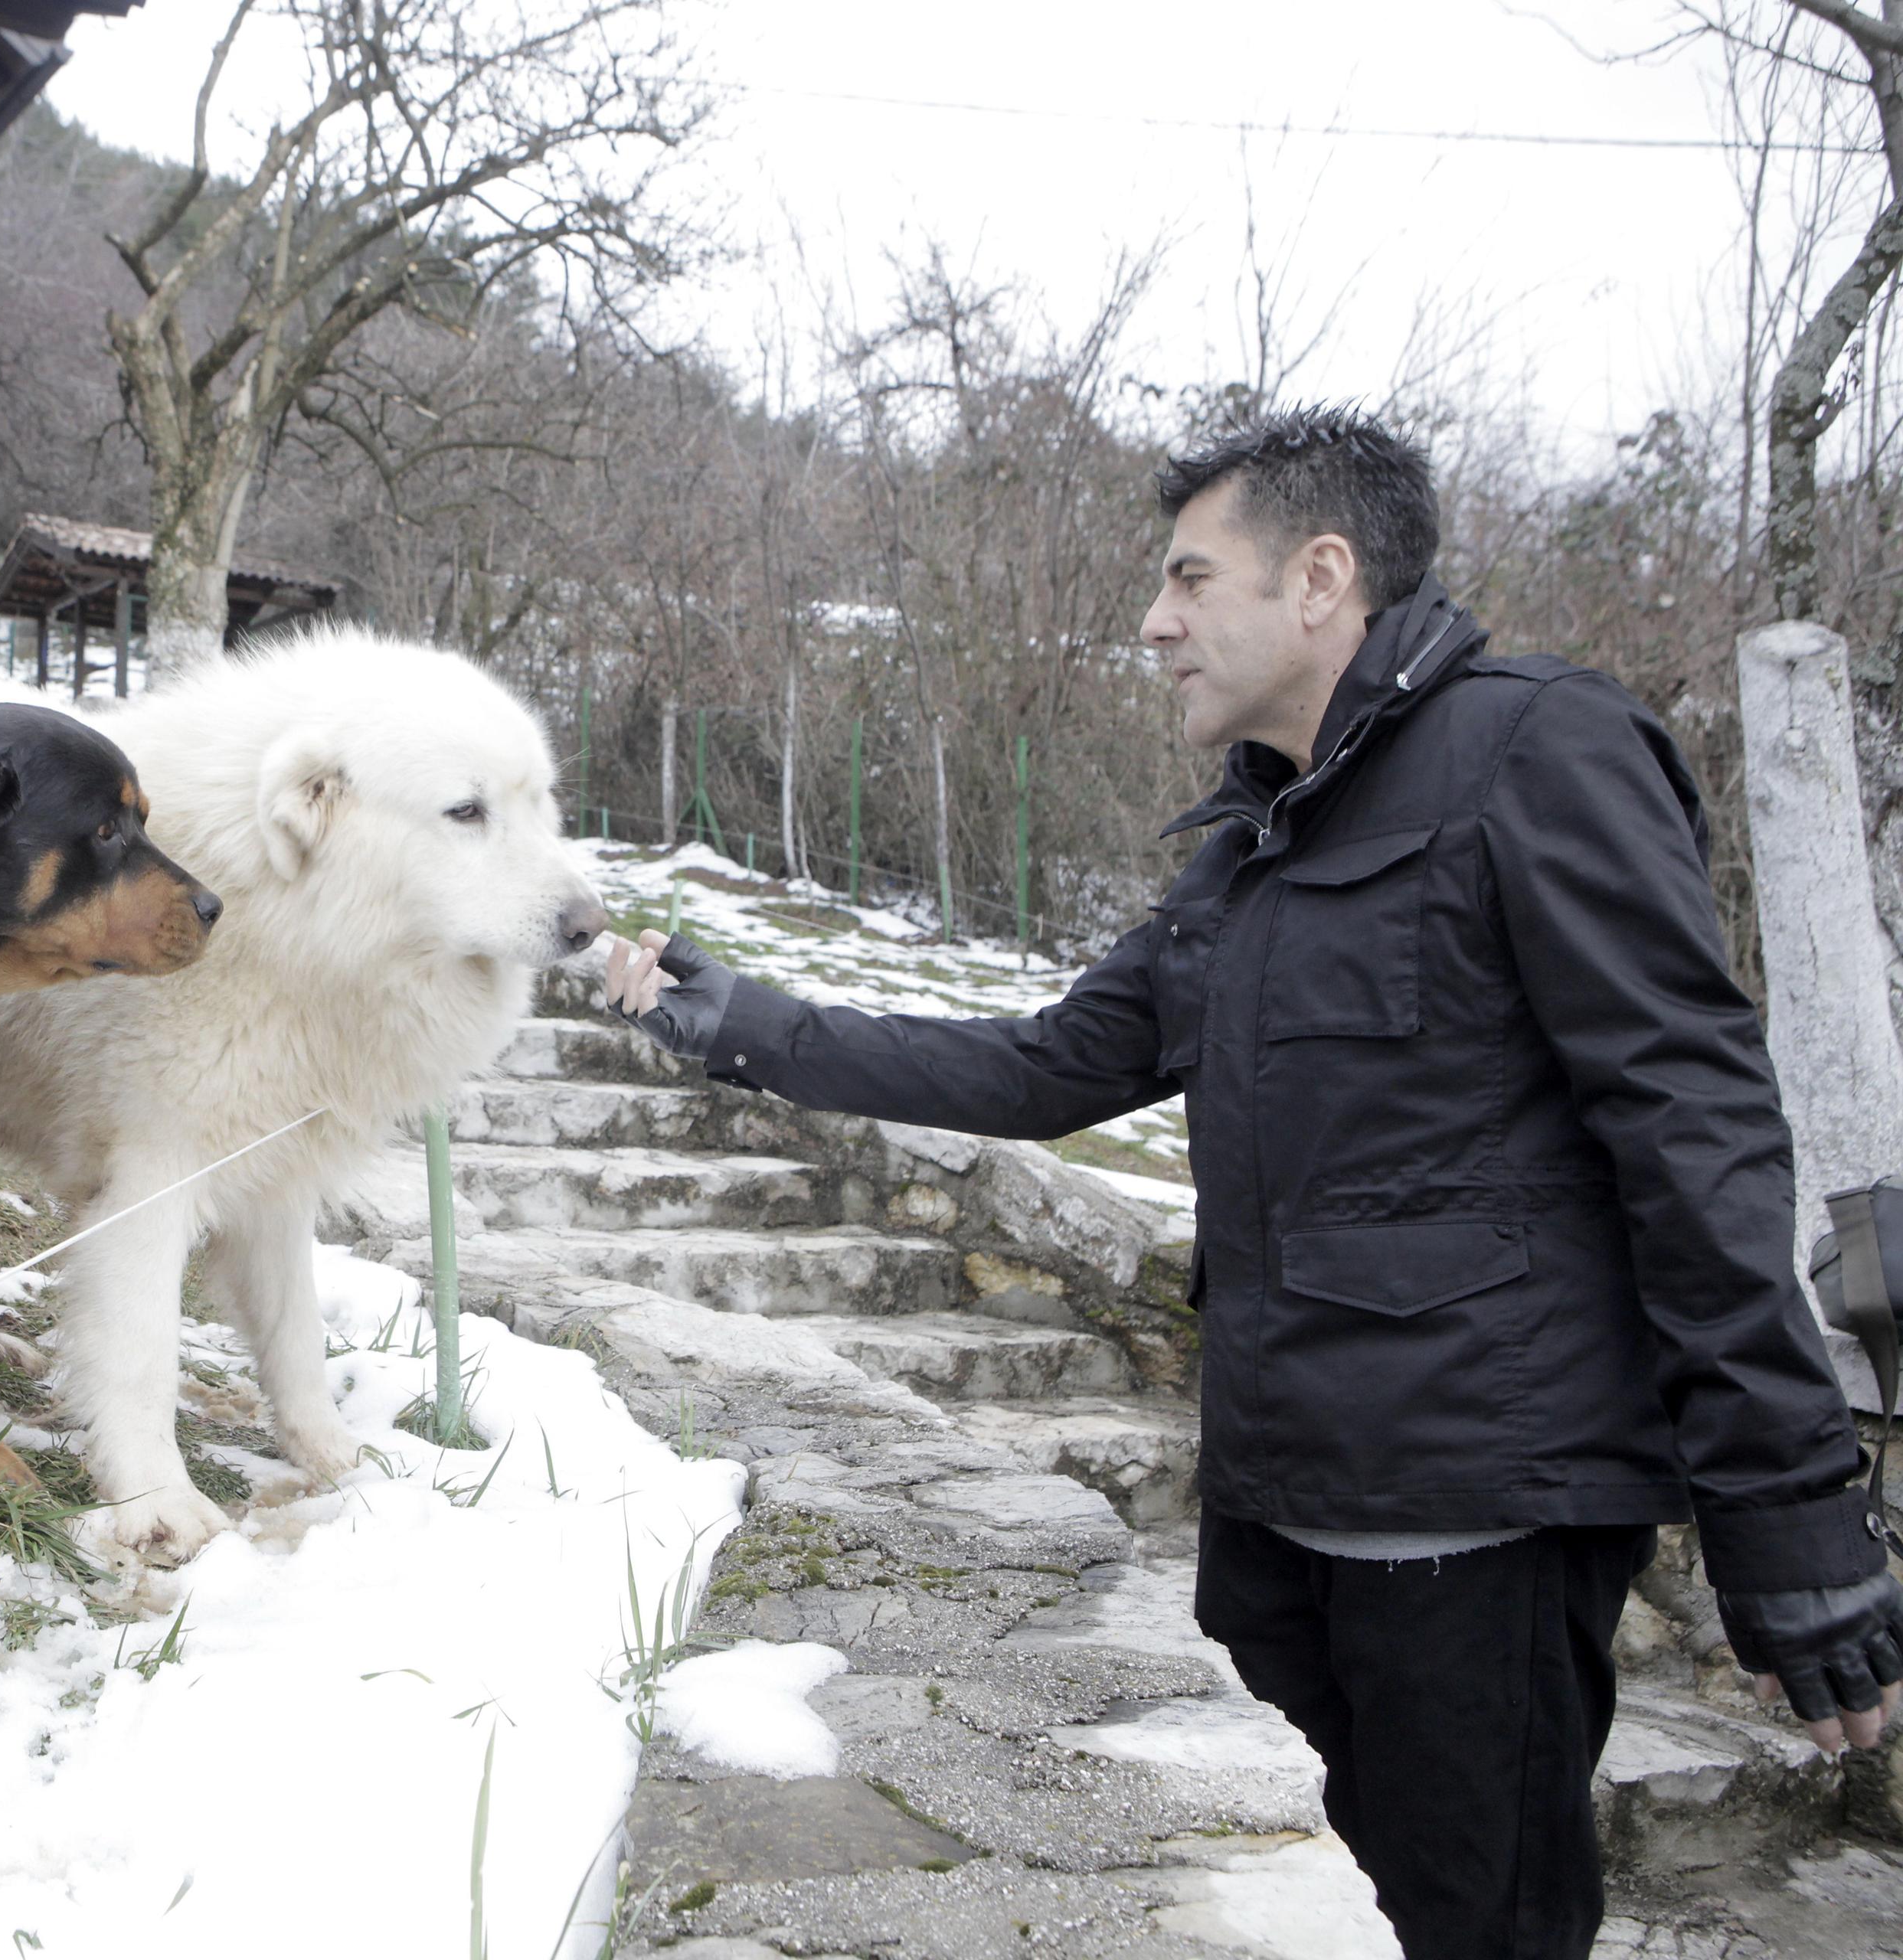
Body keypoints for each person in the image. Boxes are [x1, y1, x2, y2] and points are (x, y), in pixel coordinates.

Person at [600, 406, 1903, 1960]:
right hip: (1288, 1503)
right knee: (1424, 1884)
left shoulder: (1536, 750)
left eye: (1188, 578)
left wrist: (1790, 1511)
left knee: (1491, 1912)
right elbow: (1037, 1066)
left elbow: (1695, 1131)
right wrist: (742, 1016)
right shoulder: (1248, 848)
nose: (1153, 622)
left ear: (1320, 577)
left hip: (1478, 1500)